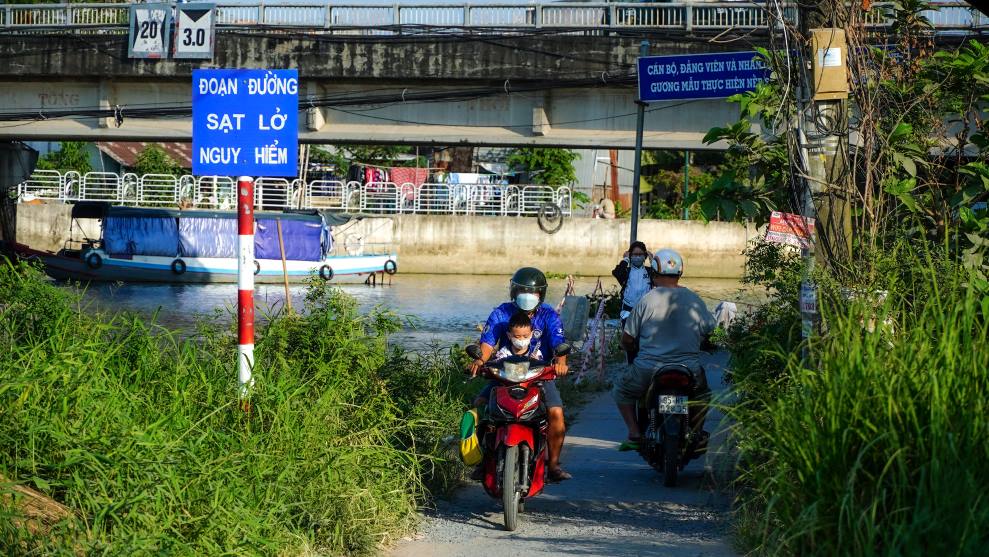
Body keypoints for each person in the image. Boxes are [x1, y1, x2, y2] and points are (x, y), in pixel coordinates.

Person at [468, 267, 571, 482]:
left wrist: (561, 364)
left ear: (540, 294)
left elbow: (559, 343)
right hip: (504, 375)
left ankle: (553, 465)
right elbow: (487, 344)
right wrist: (480, 360)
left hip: (540, 375)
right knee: (479, 405)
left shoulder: (549, 315)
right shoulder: (501, 313)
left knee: (556, 414)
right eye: (523, 291)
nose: (527, 296)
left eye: (532, 292)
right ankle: (483, 460)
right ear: (514, 292)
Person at [613, 248, 716, 449]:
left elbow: (628, 338)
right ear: (680, 274)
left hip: (648, 368)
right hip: (688, 367)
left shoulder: (646, 300)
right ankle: (695, 433)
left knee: (622, 391)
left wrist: (628, 346)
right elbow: (710, 329)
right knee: (703, 396)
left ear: (654, 273)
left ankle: (634, 432)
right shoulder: (694, 299)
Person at [612, 241, 655, 363]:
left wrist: (653, 260)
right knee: (630, 341)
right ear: (631, 256)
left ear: (644, 256)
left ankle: (644, 365)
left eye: (640, 254)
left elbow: (659, 274)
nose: (637, 257)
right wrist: (625, 259)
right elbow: (617, 272)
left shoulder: (650, 272)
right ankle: (631, 365)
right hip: (628, 312)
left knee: (644, 342)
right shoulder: (626, 272)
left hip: (647, 314)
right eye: (634, 254)